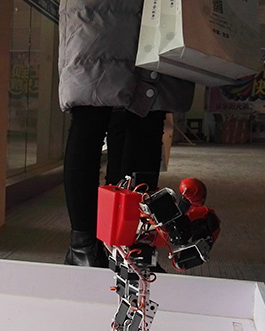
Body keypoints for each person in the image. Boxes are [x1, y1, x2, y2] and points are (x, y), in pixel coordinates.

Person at [58, 0, 194, 267]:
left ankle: (93, 248)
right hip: (152, 11)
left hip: (109, 12)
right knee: (136, 116)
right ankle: (122, 248)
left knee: (100, 113)